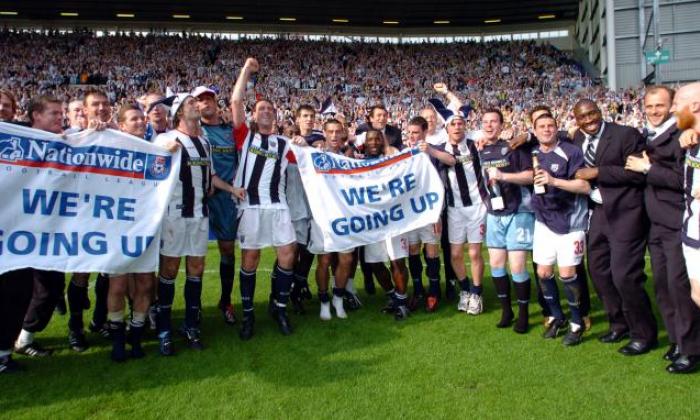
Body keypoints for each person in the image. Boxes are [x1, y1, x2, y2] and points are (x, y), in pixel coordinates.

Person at [572, 99, 657, 355]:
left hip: (626, 212)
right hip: (599, 213)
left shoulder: (625, 134)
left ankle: (644, 334)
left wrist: (598, 172)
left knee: (624, 275)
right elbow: (549, 135)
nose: (589, 120)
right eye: (582, 117)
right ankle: (619, 324)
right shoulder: (577, 137)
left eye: (592, 113)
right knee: (598, 271)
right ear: (576, 120)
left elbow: (637, 174)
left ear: (600, 112)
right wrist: (525, 136)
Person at [625, 85, 700, 370]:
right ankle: (677, 339)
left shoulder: (685, 134)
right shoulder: (647, 134)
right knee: (663, 286)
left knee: (680, 288)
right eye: (650, 106)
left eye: (662, 105)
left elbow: (682, 180)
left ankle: (692, 348)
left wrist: (648, 169)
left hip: (677, 219)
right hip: (654, 221)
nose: (656, 111)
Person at [153, 93, 234, 355]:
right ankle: (164, 329)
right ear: (179, 112)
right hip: (174, 215)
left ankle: (191, 325)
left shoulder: (204, 142)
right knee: (169, 269)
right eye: (191, 103)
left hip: (199, 214)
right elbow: (153, 170)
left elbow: (210, 177)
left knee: (196, 269)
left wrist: (224, 188)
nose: (196, 105)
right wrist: (162, 154)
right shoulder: (165, 139)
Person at [230, 57, 298, 340]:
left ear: (276, 117)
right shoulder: (245, 136)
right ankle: (248, 315)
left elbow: (310, 163)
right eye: (261, 109)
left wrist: (307, 144)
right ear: (254, 116)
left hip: (278, 205)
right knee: (250, 258)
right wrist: (246, 70)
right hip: (251, 206)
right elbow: (236, 102)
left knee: (288, 254)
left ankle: (279, 307)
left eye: (270, 109)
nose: (266, 111)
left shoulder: (285, 144)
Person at [14, 96, 68, 358]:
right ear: (36, 115)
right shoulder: (17, 138)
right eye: (54, 113)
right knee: (27, 287)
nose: (60, 117)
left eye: (61, 113)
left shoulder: (66, 140)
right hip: (18, 229)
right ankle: (21, 339)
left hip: (50, 230)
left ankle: (23, 337)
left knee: (51, 286)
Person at [530, 113, 590, 345]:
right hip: (544, 221)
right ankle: (557, 316)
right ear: (534, 130)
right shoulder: (532, 153)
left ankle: (577, 322)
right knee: (543, 273)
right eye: (541, 126)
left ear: (557, 129)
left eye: (550, 126)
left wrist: (554, 181)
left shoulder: (571, 152)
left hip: (570, 222)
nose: (546, 129)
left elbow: (584, 186)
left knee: (567, 274)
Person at [479, 108, 536, 333]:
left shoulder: (514, 147)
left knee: (517, 266)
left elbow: (530, 176)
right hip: (494, 214)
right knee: (495, 264)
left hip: (518, 211)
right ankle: (506, 310)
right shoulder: (479, 149)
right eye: (485, 122)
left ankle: (523, 314)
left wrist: (504, 176)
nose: (489, 125)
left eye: (494, 121)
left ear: (502, 125)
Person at [106, 103, 155, 361]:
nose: (140, 122)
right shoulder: (112, 148)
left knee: (146, 284)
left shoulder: (154, 149)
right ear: (122, 125)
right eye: (133, 119)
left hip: (145, 226)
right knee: (118, 285)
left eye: (141, 118)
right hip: (117, 227)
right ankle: (117, 339)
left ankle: (135, 337)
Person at [432, 109, 487, 315]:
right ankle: (465, 289)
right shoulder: (440, 149)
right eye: (452, 124)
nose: (457, 127)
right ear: (446, 128)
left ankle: (477, 293)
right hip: (454, 208)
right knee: (455, 254)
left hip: (476, 206)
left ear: (465, 126)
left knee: (474, 253)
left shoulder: (475, 144)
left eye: (460, 123)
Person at [193, 85, 239, 326]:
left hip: (225, 197)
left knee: (227, 250)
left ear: (216, 101)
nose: (206, 103)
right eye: (201, 100)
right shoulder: (192, 130)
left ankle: (226, 300)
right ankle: (194, 306)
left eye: (209, 98)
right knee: (195, 255)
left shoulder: (229, 129)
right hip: (198, 197)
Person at [670, 82, 700, 373]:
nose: (672, 109)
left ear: (695, 106)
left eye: (677, 103)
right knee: (696, 295)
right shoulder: (691, 139)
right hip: (692, 230)